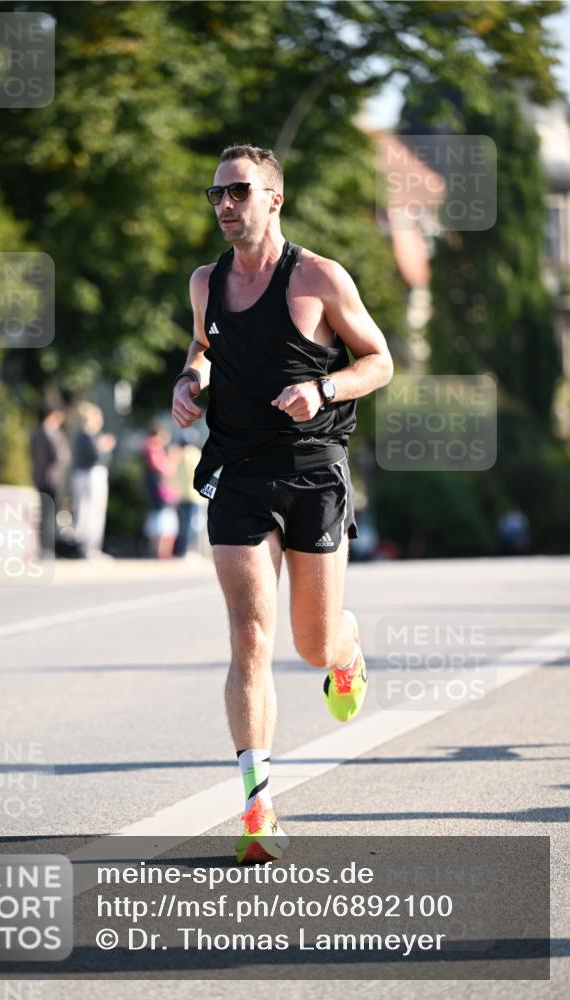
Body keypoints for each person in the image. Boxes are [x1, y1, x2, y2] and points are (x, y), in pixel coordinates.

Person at [171, 144, 393, 864]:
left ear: (274, 198)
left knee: (310, 646)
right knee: (248, 636)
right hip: (236, 470)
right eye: (215, 194)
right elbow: (201, 347)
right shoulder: (205, 281)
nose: (224, 205)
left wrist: (324, 389)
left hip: (312, 472)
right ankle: (257, 804)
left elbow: (379, 360)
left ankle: (345, 649)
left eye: (238, 191)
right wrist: (189, 380)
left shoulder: (318, 277)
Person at [71, 402, 117, 559]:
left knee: (84, 511)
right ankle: (91, 549)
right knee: (93, 512)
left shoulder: (79, 435)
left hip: (80, 475)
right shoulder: (90, 435)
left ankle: (85, 547)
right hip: (92, 475)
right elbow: (97, 456)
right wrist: (105, 446)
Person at [30, 400, 71, 558]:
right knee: (48, 514)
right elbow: (61, 456)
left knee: (46, 513)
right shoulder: (50, 433)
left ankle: (46, 547)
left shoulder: (36, 433)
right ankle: (47, 548)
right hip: (51, 478)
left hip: (42, 477)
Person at [141, 422, 180, 559]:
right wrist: (172, 462)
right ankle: (161, 551)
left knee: (159, 515)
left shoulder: (149, 445)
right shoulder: (153, 446)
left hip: (155, 485)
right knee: (162, 516)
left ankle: (159, 550)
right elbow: (161, 466)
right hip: (158, 486)